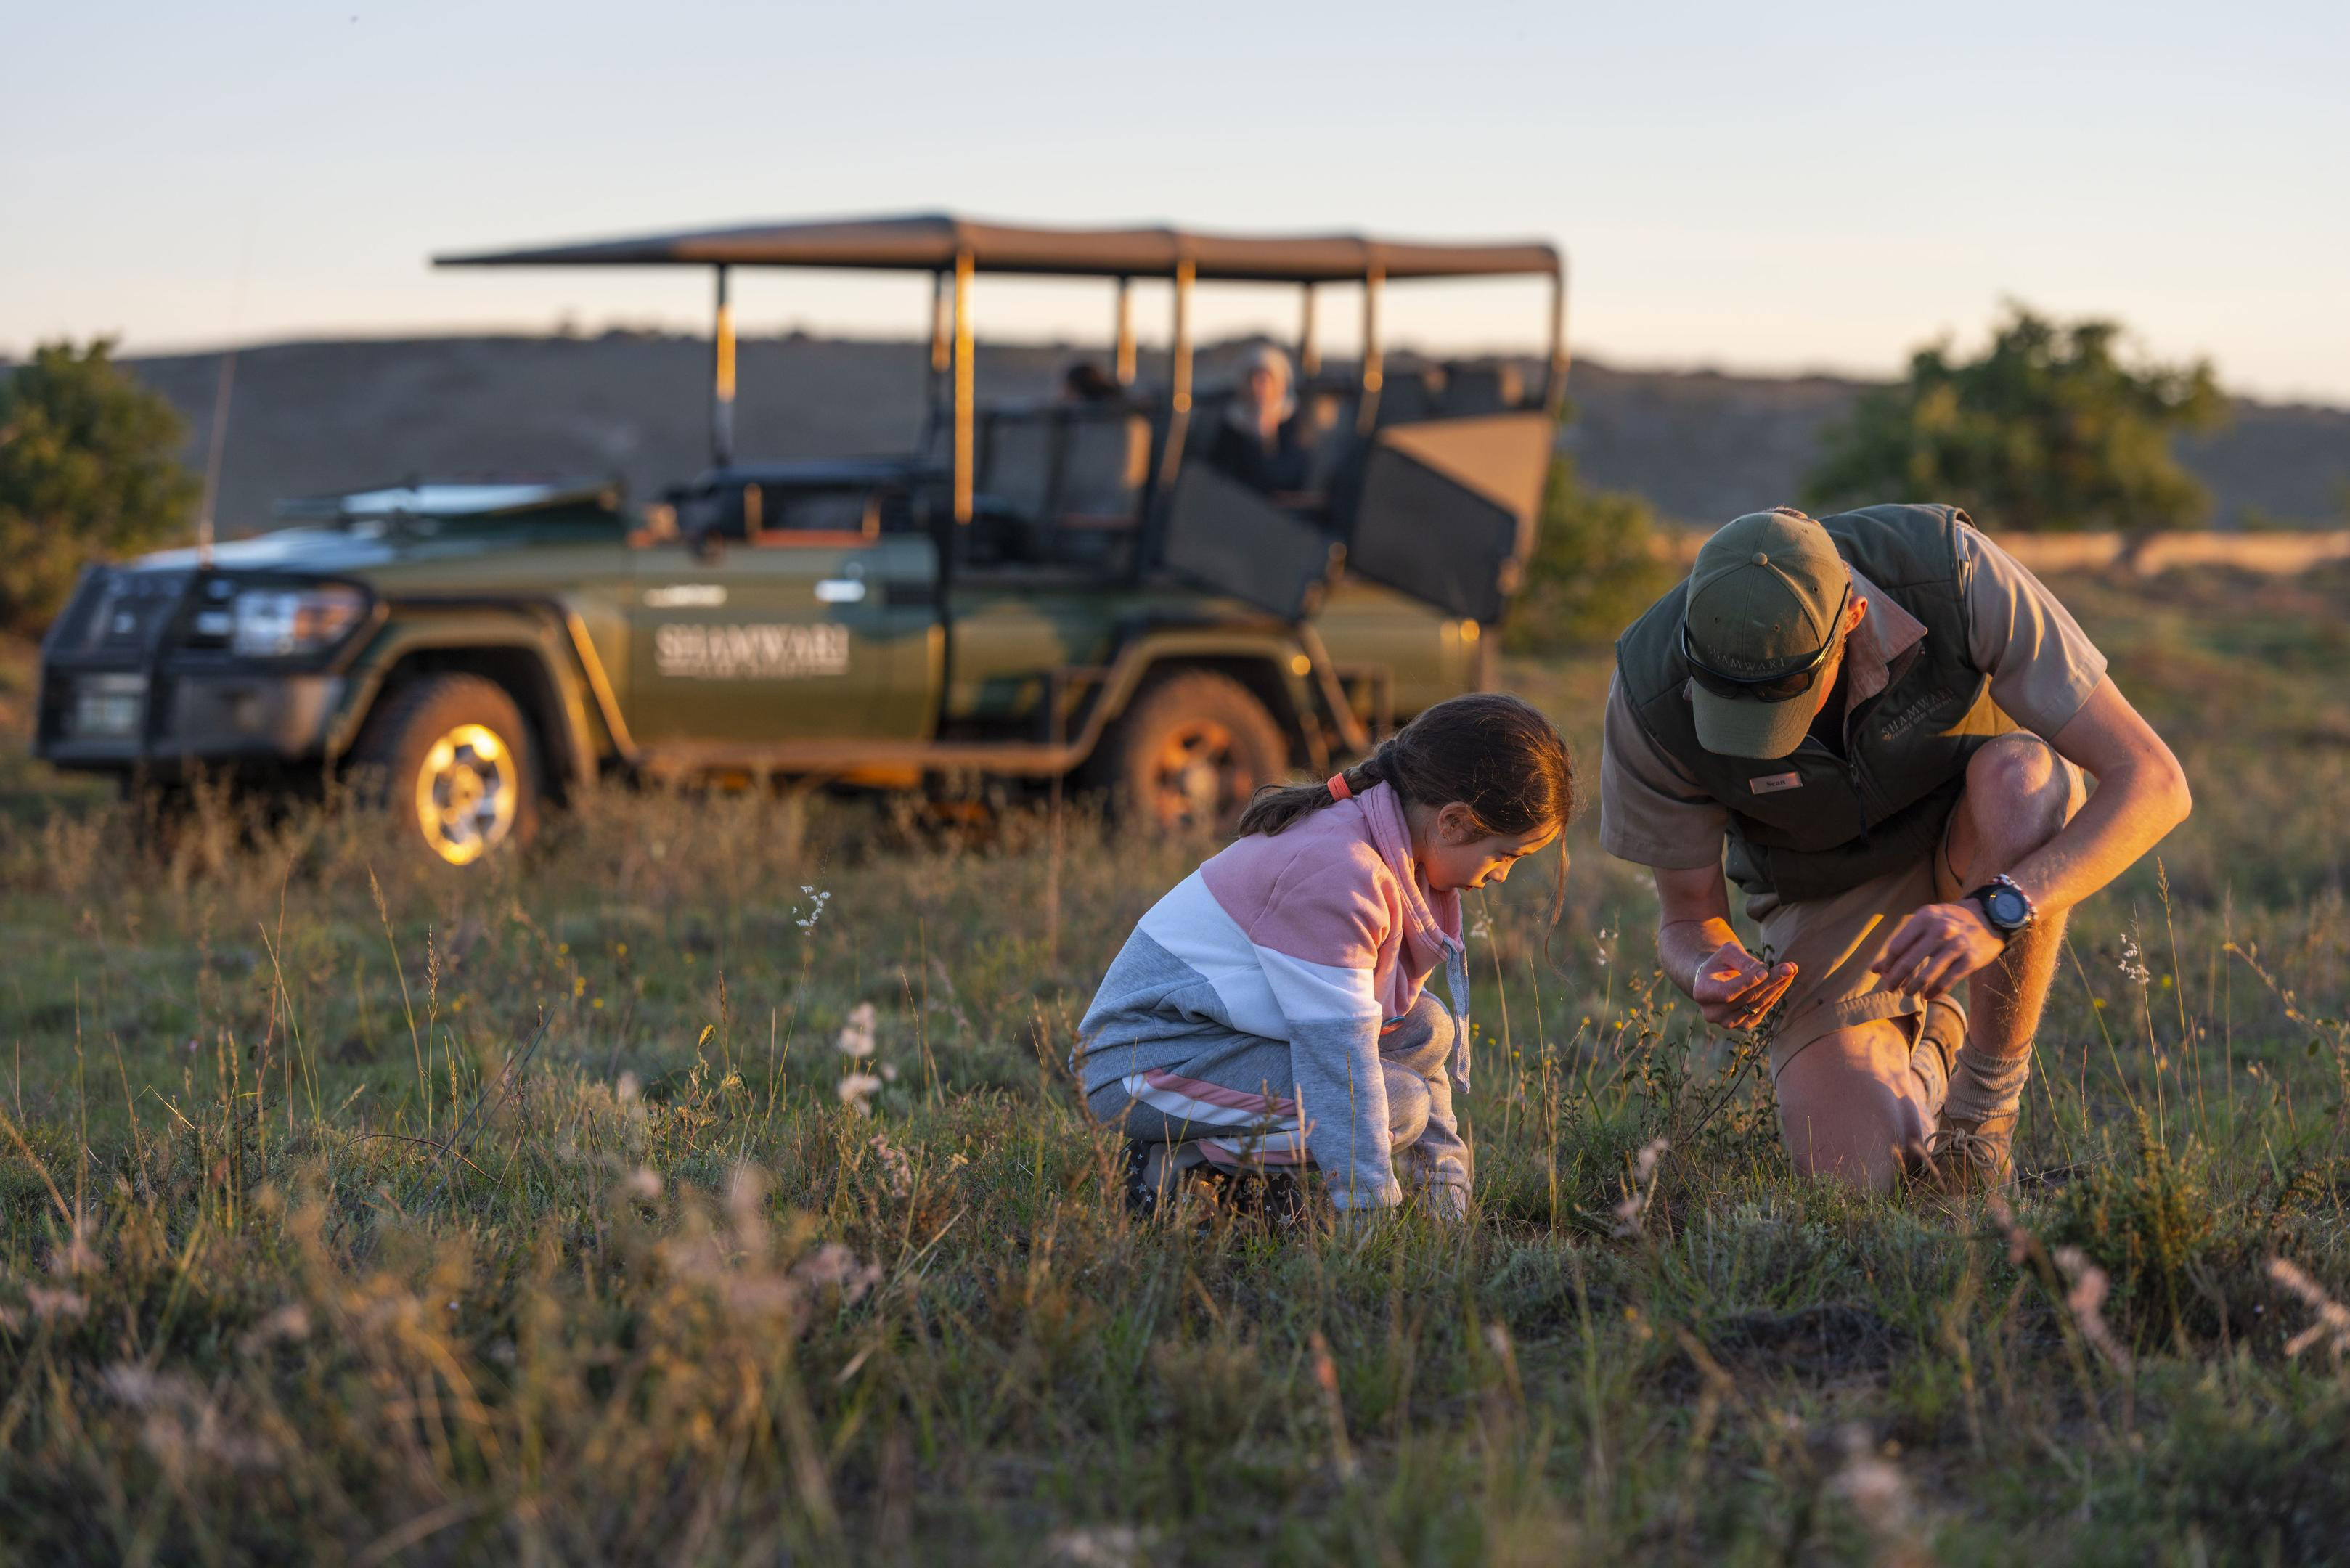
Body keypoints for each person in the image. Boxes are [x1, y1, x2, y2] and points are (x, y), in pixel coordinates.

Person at [1600, 505, 2192, 1191]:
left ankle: (1981, 1114)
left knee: (2024, 780)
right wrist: (1704, 968)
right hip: (1820, 894)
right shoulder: (1647, 691)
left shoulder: (1953, 574)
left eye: (1782, 698)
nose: (1766, 731)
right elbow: (1686, 918)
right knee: (1856, 1181)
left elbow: (2154, 782)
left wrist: (1999, 909)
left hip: (1981, 849)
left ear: (1850, 618)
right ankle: (1932, 1034)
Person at [1074, 693, 1575, 1221]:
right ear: (1451, 823)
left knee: (1427, 1024)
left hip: (1210, 1044)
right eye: (1505, 855)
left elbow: (1390, 1036)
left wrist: (1446, 1193)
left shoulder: (1387, 851)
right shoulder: (1341, 873)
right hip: (1136, 1071)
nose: (1502, 874)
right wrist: (1370, 1221)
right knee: (1396, 1106)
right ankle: (1182, 1166)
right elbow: (1339, 1063)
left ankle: (1233, 1165)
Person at [1206, 343, 1309, 495]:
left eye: (1264, 380)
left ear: (1280, 384)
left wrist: (1266, 438)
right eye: (1252, 380)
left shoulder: (1294, 424)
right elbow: (1219, 473)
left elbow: (1291, 476)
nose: (1257, 388)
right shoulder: (1230, 423)